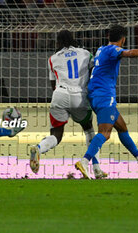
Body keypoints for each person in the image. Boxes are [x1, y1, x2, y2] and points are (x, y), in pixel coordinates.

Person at [75, 25, 138, 179]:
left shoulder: (100, 49)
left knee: (122, 127)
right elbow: (130, 53)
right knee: (105, 133)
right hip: (104, 95)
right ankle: (84, 161)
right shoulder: (113, 50)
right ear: (123, 39)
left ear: (108, 37)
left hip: (95, 94)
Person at [29, 30, 107, 179]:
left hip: (59, 96)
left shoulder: (52, 59)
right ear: (73, 39)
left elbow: (54, 84)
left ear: (58, 42)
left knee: (56, 135)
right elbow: (94, 74)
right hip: (80, 96)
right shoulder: (85, 53)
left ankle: (39, 148)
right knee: (89, 129)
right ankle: (97, 169)